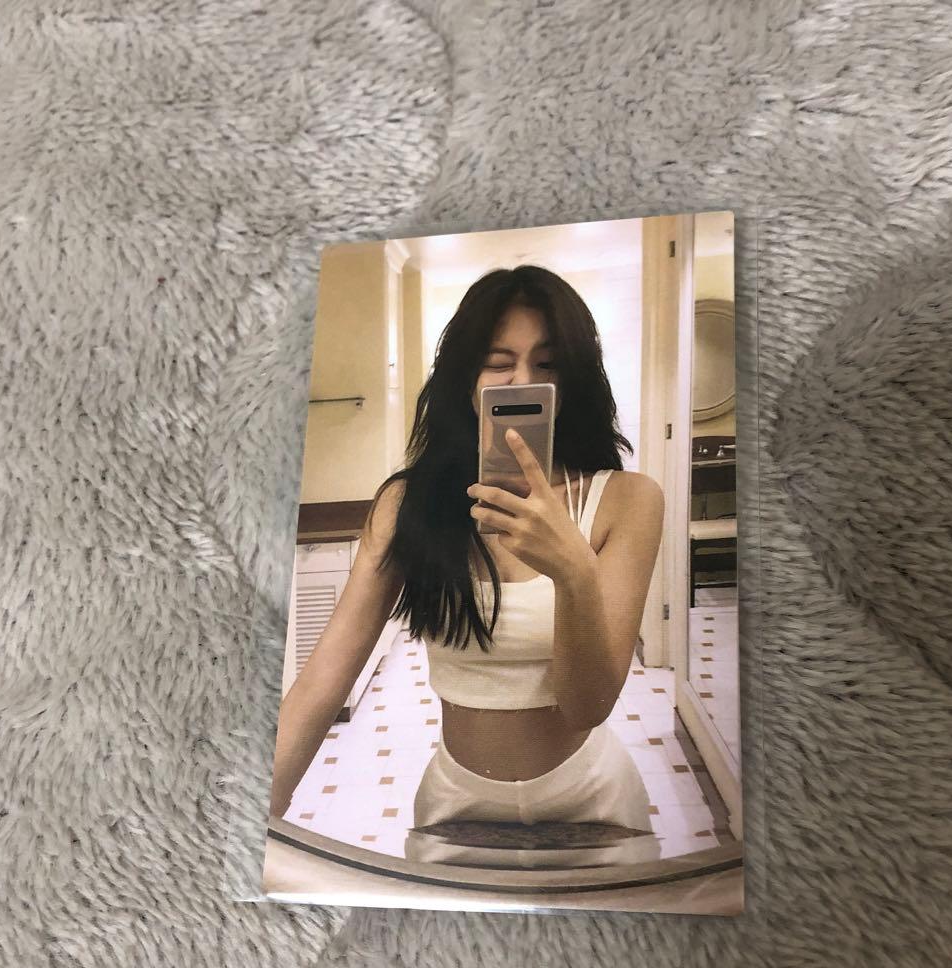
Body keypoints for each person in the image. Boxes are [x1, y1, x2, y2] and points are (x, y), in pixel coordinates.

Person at [268, 265, 664, 837]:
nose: (521, 381)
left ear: (574, 378)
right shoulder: (407, 504)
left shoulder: (627, 501)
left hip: (593, 800)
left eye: (547, 364)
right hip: (456, 804)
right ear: (465, 378)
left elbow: (588, 707)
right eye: (499, 362)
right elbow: (322, 681)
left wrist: (573, 571)